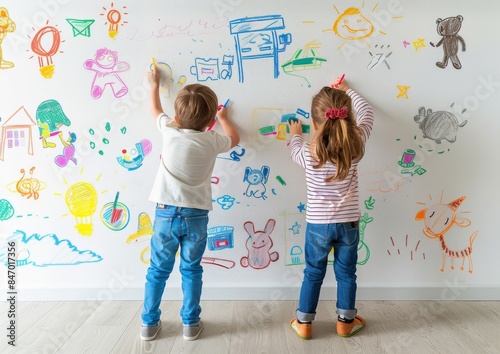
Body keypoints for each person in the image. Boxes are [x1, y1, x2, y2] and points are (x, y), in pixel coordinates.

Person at [140, 66, 240, 341]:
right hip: (196, 216)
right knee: (191, 269)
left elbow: (154, 111)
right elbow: (235, 138)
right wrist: (224, 117)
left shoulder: (169, 130)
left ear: (176, 117)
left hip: (165, 214)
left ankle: (149, 324)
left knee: (157, 270)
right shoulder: (212, 140)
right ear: (209, 121)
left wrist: (153, 85)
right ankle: (190, 324)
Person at [288, 77, 374, 340]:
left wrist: (295, 133)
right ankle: (345, 322)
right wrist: (347, 90)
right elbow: (367, 113)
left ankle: (303, 322)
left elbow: (292, 146)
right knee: (347, 273)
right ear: (348, 120)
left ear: (314, 123)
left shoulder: (308, 152)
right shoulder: (356, 145)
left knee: (313, 273)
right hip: (348, 225)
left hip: (318, 226)